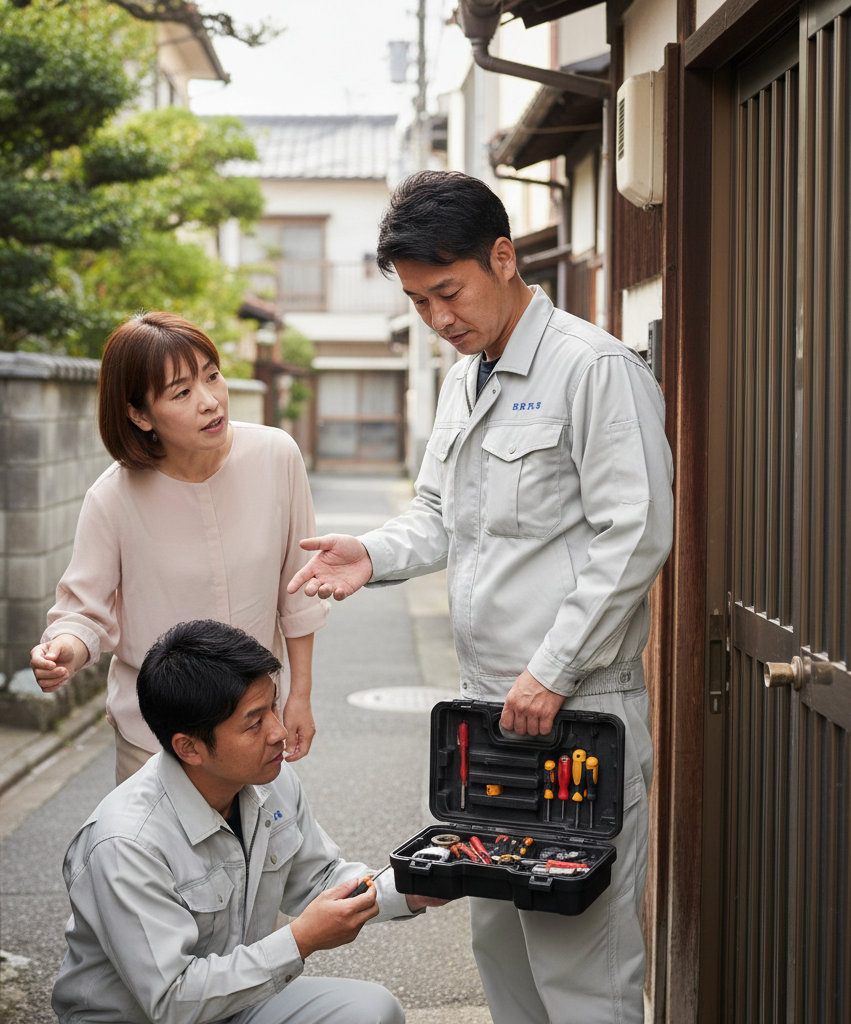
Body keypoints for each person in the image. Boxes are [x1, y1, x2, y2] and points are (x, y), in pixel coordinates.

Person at [287, 171, 674, 1024]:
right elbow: (436, 517)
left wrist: (553, 670)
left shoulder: (593, 368)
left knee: (580, 969)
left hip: (577, 712)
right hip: (489, 719)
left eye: (447, 293)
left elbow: (635, 535)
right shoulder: (468, 379)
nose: (437, 320)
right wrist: (370, 554)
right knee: (501, 950)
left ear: (504, 258)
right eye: (419, 303)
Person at [52, 619, 445, 1024]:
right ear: (189, 748)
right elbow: (172, 1000)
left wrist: (416, 885)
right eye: (254, 723)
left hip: (236, 1000)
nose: (277, 732)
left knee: (372, 1011)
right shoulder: (126, 843)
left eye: (272, 706)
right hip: (145, 1016)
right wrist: (300, 940)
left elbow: (320, 878)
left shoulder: (266, 779)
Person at [30, 312, 327, 783]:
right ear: (139, 414)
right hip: (156, 741)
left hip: (255, 731)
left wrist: (300, 696)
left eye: (212, 376)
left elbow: (298, 590)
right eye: (182, 392)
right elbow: (83, 610)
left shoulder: (276, 456)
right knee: (157, 858)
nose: (210, 401)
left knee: (265, 855)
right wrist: (64, 649)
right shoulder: (113, 496)